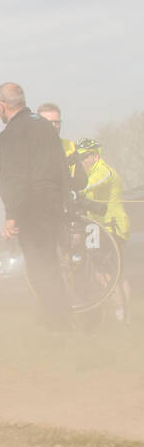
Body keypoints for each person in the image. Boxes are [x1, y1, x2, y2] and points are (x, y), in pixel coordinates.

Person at [0, 82, 72, 329]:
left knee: (39, 268)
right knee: (51, 264)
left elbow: (13, 177)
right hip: (53, 206)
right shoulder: (46, 127)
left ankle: (55, 324)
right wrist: (64, 203)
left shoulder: (11, 134)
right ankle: (60, 320)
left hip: (31, 208)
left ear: (2, 106)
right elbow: (62, 168)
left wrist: (11, 215)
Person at [76, 138, 132, 322]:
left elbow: (86, 186)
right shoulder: (86, 172)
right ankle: (113, 311)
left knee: (114, 273)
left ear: (95, 156)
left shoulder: (104, 170)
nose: (81, 160)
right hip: (96, 230)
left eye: (84, 156)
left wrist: (72, 192)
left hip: (112, 227)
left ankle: (123, 315)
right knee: (100, 272)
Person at [37, 102, 88, 192]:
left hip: (64, 202)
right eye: (49, 122)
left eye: (57, 122)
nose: (54, 126)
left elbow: (82, 181)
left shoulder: (69, 146)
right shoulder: (28, 147)